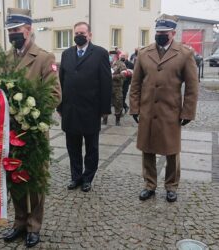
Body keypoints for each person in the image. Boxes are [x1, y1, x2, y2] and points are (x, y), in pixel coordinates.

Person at [2, 8, 61, 248]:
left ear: (28, 30)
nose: (13, 34)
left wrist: (27, 109)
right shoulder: (4, 59)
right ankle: (19, 222)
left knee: (35, 180)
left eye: (17, 30)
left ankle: (34, 226)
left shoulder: (44, 58)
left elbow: (55, 95)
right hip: (9, 132)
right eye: (10, 31)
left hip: (33, 132)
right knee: (14, 177)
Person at [129, 14, 198, 202]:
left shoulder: (185, 54)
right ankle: (149, 184)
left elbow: (192, 87)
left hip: (171, 112)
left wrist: (188, 112)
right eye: (158, 32)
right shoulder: (144, 53)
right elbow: (135, 84)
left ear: (173, 33)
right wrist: (134, 108)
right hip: (148, 110)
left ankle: (171, 186)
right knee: (147, 149)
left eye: (164, 33)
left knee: (172, 151)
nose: (160, 35)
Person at [58, 21, 112, 191]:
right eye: (76, 33)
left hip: (91, 109)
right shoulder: (66, 54)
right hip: (70, 109)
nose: (79, 36)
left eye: (82, 33)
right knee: (72, 147)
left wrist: (104, 109)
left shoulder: (100, 53)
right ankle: (76, 177)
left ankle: (88, 178)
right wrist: (60, 106)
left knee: (91, 148)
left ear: (89, 35)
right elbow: (61, 81)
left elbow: (106, 82)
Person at [103, 51, 126, 126]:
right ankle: (104, 119)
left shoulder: (121, 64)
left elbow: (124, 75)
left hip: (117, 88)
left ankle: (117, 120)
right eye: (110, 55)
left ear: (116, 56)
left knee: (118, 103)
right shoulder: (105, 63)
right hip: (106, 87)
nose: (111, 57)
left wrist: (113, 77)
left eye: (112, 55)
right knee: (105, 103)